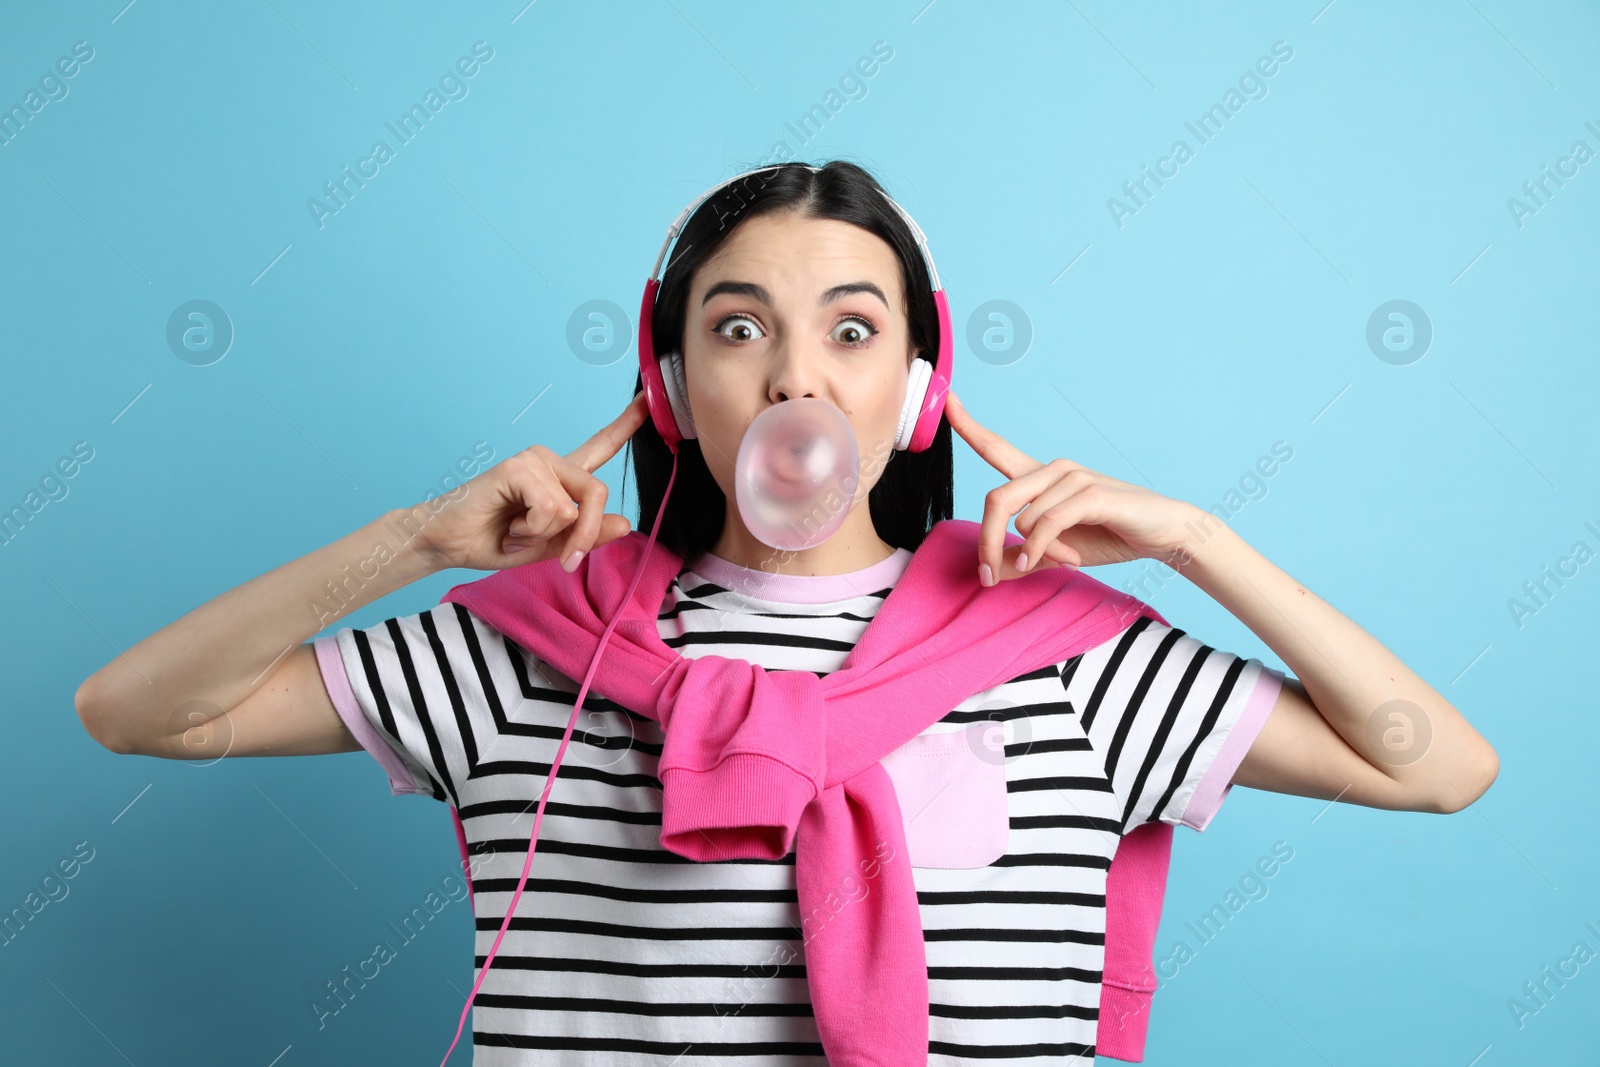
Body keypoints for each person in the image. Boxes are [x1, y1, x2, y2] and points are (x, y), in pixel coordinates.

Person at [75, 160, 1499, 1064]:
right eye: (739, 327)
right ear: (674, 381)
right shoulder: (536, 648)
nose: (797, 381)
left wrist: (1196, 541)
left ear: (921, 389)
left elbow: (1434, 764)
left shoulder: (1063, 650)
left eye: (854, 330)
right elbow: (140, 713)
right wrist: (415, 543)